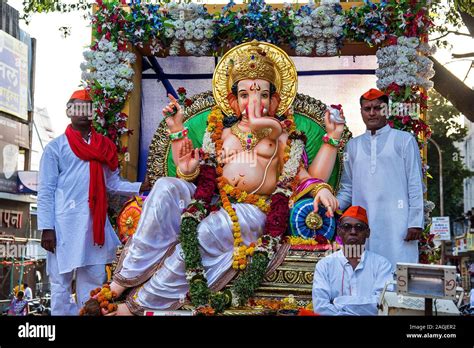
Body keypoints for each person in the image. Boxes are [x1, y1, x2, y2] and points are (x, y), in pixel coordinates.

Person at [104, 41, 343, 315]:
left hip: (254, 209)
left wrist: (323, 177)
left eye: (262, 95)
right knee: (165, 187)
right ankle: (122, 281)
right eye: (245, 95)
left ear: (274, 100)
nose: (253, 102)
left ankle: (141, 303)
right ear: (233, 101)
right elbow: (195, 171)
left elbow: (302, 178)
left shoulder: (284, 138)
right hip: (213, 198)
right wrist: (181, 145)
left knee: (206, 230)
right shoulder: (221, 133)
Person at [37, 89, 150, 315]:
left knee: (94, 285)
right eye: (77, 106)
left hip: (93, 226)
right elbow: (46, 190)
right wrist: (46, 228)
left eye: (86, 107)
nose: (81, 112)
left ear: (92, 113)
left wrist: (140, 187)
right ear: (69, 111)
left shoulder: (104, 146)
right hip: (62, 226)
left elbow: (112, 184)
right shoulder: (55, 148)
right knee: (60, 285)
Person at [335, 88, 424, 270]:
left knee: (398, 275)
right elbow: (347, 187)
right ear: (361, 112)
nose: (372, 113)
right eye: (367, 109)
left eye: (377, 108)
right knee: (365, 274)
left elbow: (415, 183)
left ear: (386, 110)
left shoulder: (404, 140)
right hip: (362, 227)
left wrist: (415, 222)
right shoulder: (352, 146)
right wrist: (331, 206)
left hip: (398, 225)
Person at [312, 206, 393, 316]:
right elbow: (320, 307)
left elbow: (383, 304)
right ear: (339, 231)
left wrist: (338, 302)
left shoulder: (382, 265)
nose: (353, 231)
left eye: (359, 227)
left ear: (368, 233)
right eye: (347, 227)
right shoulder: (325, 265)